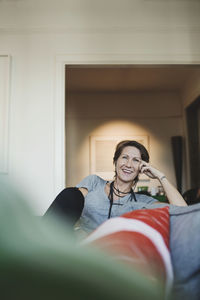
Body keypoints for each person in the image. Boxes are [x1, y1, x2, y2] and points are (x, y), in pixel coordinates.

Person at [45, 140, 187, 236]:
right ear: (115, 161)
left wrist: (160, 176)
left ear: (142, 168)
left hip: (116, 255)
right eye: (124, 157)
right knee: (71, 193)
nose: (129, 164)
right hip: (82, 251)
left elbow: (183, 213)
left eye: (136, 160)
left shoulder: (143, 202)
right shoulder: (94, 182)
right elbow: (69, 203)